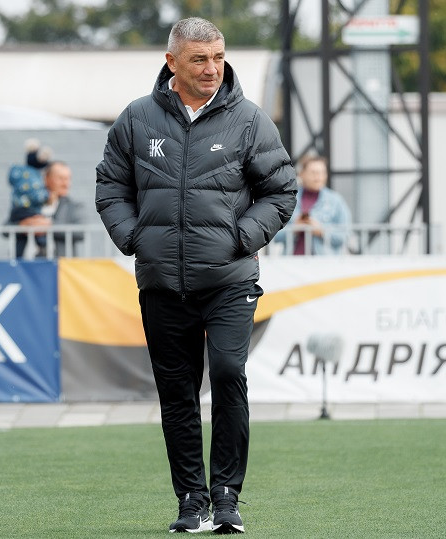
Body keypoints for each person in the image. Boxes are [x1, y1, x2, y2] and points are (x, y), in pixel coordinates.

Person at [95, 17, 296, 534]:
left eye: (219, 58)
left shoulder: (249, 120)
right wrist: (135, 239)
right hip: (162, 282)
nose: (212, 69)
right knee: (177, 393)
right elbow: (110, 187)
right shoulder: (136, 119)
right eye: (199, 59)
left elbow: (281, 191)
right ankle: (191, 501)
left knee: (228, 373)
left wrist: (241, 238)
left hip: (230, 279)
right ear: (172, 62)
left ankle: (226, 498)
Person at [274, 155, 352, 255]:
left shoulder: (336, 201)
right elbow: (273, 235)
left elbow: (345, 235)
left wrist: (321, 231)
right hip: (292, 262)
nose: (318, 177)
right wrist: (294, 229)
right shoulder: (288, 200)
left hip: (323, 262)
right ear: (302, 174)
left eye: (322, 172)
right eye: (314, 172)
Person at [11, 160, 84, 257]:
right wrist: (23, 226)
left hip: (59, 264)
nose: (66, 183)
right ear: (46, 179)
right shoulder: (29, 202)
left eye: (68, 178)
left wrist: (49, 226)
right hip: (26, 263)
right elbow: (6, 228)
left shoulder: (74, 206)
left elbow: (80, 232)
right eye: (61, 178)